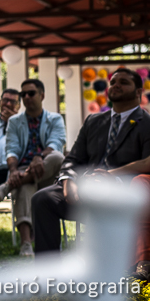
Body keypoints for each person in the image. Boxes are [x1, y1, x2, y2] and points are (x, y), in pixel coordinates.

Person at [33, 68, 150, 253]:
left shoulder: (146, 123)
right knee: (42, 199)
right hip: (84, 187)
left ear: (138, 92)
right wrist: (68, 181)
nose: (116, 85)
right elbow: (74, 158)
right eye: (113, 82)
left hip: (121, 191)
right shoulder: (94, 121)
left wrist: (112, 178)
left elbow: (146, 167)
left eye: (124, 82)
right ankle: (49, 271)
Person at [0, 79, 66, 256]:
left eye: (31, 93)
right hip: (24, 170)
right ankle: (26, 244)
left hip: (49, 172)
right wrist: (13, 171)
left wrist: (39, 157)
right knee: (24, 187)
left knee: (57, 157)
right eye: (23, 94)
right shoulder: (16, 122)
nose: (26, 97)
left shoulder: (55, 119)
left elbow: (56, 143)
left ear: (42, 95)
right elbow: (11, 149)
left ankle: (8, 185)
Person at [0, 89, 20, 186]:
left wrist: (13, 122)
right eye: (5, 100)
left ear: (19, 105)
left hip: (15, 170)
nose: (8, 104)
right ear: (0, 102)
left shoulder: (24, 124)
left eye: (13, 102)